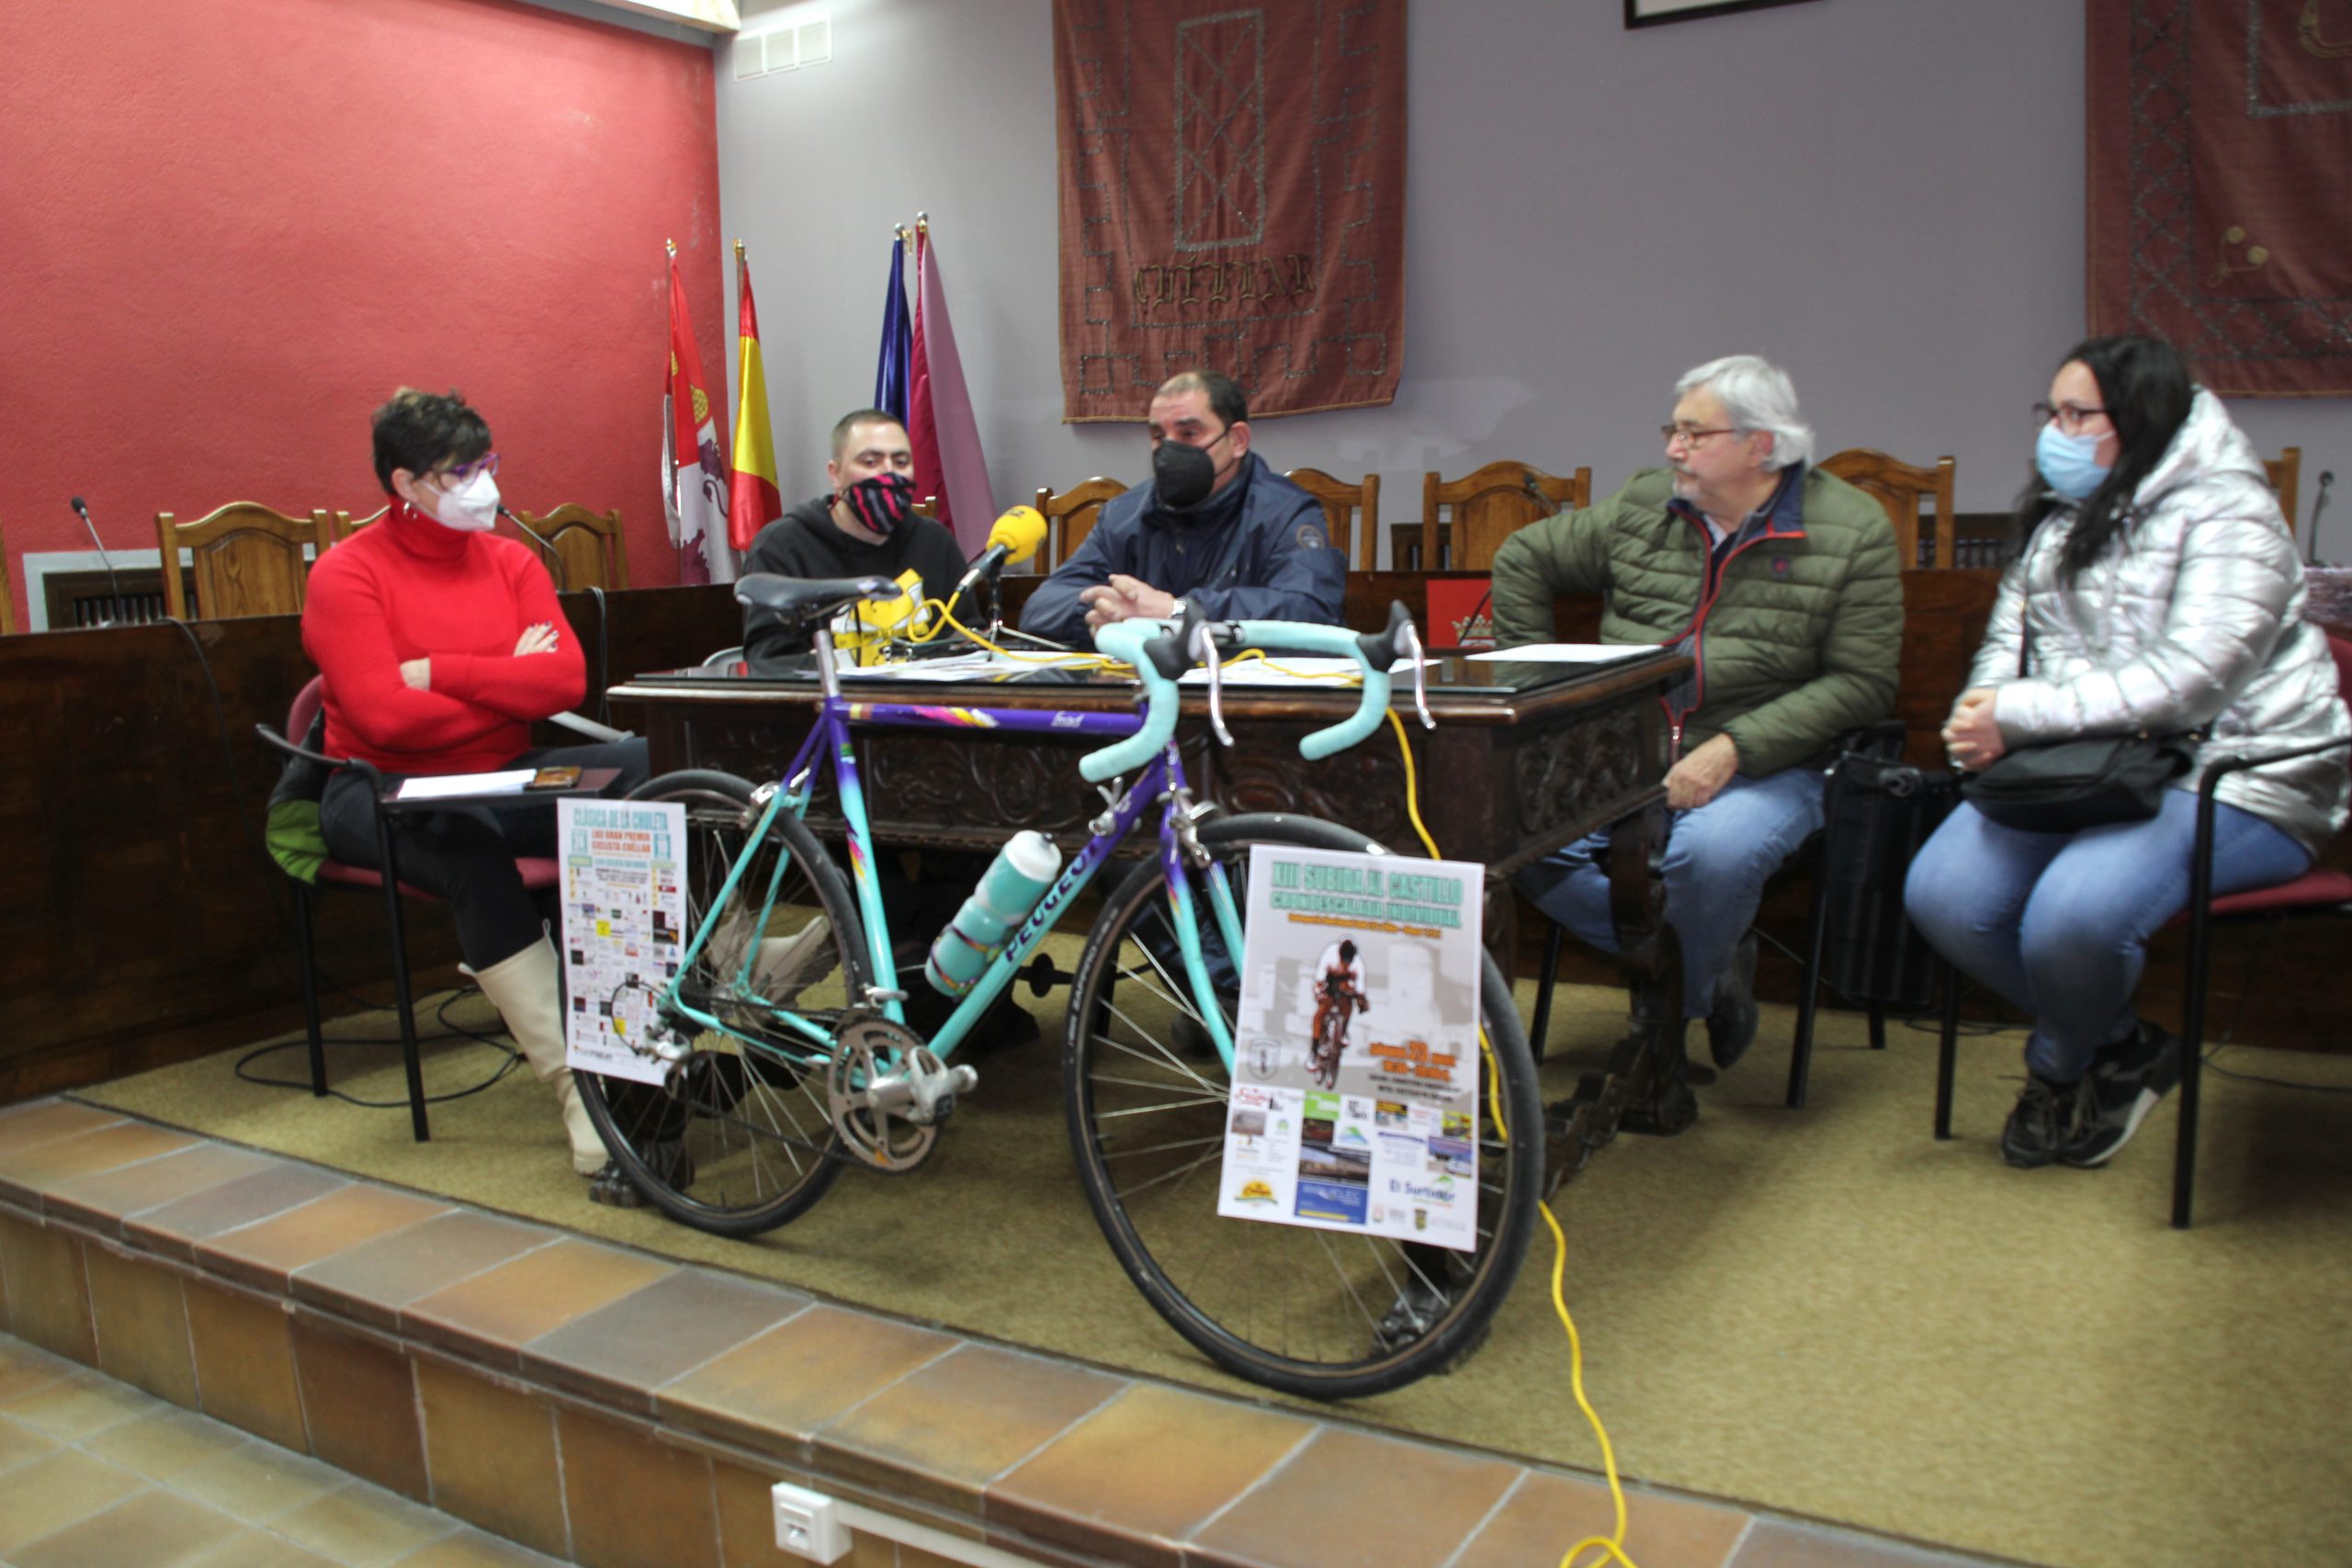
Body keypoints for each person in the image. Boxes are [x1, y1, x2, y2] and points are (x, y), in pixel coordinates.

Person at [1905, 335, 2349, 1170]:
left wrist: (2019, 714)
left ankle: (2060, 1066)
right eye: (2051, 413)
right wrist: (1979, 709)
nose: (2056, 433)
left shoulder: (2231, 511)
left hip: (2239, 773)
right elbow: (2011, 638)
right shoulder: (2068, 512)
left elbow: (2191, 682)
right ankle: (2127, 1045)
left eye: (2079, 415)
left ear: (2140, 420)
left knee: (2072, 917)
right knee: (1944, 894)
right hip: (2092, 764)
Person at [1494, 355, 1904, 1071]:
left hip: (1770, 761)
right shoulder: (1644, 504)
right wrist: (1543, 692)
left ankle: (1663, 1018)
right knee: (1508, 835)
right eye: (1672, 430)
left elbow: (1864, 682)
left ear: (1762, 445)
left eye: (1693, 434)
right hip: (1626, 756)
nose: (1671, 449)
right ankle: (1704, 973)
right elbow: (1523, 556)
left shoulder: (1853, 529)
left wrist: (1735, 747)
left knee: (1711, 856)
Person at [303, 388, 650, 1195]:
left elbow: (563, 678)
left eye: (486, 463)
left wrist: (442, 673)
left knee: (645, 764)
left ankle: (717, 953)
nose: (483, 484)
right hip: (377, 788)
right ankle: (578, 1090)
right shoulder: (346, 573)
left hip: (502, 770)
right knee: (471, 846)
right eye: (459, 471)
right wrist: (505, 677)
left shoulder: (510, 559)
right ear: (405, 483)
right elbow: (386, 719)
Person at [1019, 370, 1345, 648]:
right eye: (1159, 436)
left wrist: (1175, 612)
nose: (1169, 449)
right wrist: (1113, 613)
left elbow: (1311, 610)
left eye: (1189, 433)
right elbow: (1040, 609)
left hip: (1245, 699)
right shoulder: (1124, 515)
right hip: (1140, 694)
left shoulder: (1285, 511)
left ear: (1237, 441)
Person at [741, 409, 969, 661]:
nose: (889, 474)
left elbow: (967, 640)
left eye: (901, 462)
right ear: (835, 475)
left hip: (922, 698)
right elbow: (766, 661)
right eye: (870, 462)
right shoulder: (782, 546)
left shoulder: (935, 542)